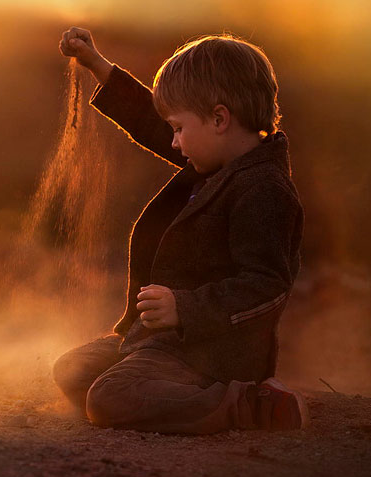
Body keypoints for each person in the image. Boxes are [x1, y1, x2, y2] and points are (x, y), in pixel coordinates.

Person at [52, 27, 307, 433]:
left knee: (109, 398)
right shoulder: (219, 160)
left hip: (212, 352)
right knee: (72, 370)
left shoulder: (264, 189)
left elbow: (267, 286)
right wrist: (99, 66)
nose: (172, 142)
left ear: (220, 119)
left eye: (178, 129)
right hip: (165, 339)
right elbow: (152, 121)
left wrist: (183, 308)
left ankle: (252, 406)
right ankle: (161, 387)